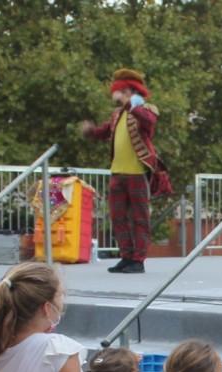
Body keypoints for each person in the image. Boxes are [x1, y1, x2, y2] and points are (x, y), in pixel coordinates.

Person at [82, 68, 171, 275]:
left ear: (130, 91)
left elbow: (149, 122)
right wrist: (90, 131)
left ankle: (138, 260)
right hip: (117, 173)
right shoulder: (117, 114)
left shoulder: (146, 109)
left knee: (140, 218)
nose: (118, 95)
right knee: (118, 218)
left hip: (137, 173)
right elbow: (105, 132)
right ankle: (126, 256)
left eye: (121, 91)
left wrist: (131, 104)